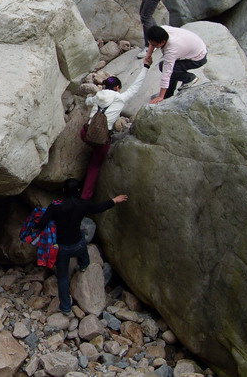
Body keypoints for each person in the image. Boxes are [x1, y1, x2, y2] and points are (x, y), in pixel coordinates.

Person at [34, 179, 128, 315]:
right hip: (77, 245)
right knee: (83, 245)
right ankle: (84, 265)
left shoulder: (55, 206)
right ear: (78, 191)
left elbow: (42, 224)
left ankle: (66, 308)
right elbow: (99, 208)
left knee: (63, 278)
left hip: (62, 248)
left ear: (64, 191)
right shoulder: (82, 205)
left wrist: (33, 226)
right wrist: (114, 200)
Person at [81, 64, 149, 199]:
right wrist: (146, 67)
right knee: (95, 165)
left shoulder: (98, 96)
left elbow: (87, 102)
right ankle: (85, 196)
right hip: (101, 141)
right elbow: (136, 86)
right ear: (117, 88)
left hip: (85, 134)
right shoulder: (120, 98)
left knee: (92, 148)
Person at [144, 25, 207, 104]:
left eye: (154, 45)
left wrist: (160, 96)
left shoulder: (171, 50)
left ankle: (189, 78)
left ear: (163, 42)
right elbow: (152, 42)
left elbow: (167, 73)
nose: (152, 46)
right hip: (193, 47)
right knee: (173, 68)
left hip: (198, 57)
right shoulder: (161, 30)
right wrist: (148, 55)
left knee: (164, 67)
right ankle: (168, 94)